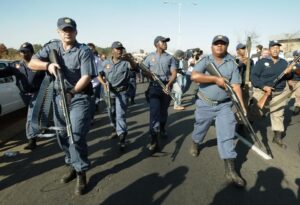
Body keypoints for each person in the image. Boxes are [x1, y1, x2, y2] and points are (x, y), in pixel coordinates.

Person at [28, 17, 96, 195]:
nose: (67, 32)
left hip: (79, 96)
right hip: (58, 97)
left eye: (71, 29)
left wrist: (71, 93)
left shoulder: (84, 51)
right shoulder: (52, 47)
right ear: (58, 32)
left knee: (74, 134)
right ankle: (72, 164)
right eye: (64, 30)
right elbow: (31, 63)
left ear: (76, 32)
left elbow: (86, 77)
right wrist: (47, 65)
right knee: (62, 135)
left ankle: (81, 172)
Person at [190, 35, 246, 187]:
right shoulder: (205, 60)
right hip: (205, 104)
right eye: (217, 44)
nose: (219, 46)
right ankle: (196, 142)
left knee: (227, 135)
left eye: (223, 44)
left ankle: (231, 171)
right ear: (211, 46)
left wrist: (242, 107)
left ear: (227, 46)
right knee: (200, 128)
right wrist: (215, 79)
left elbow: (236, 86)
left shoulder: (232, 64)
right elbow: (194, 76)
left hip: (224, 105)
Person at [0, 42, 45, 150]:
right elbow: (3, 73)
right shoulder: (16, 65)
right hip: (24, 95)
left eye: (26, 51)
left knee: (30, 116)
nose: (24, 53)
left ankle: (32, 140)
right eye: (21, 51)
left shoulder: (39, 64)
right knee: (34, 115)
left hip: (37, 93)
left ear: (32, 52)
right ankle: (41, 127)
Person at [250, 40, 293, 149]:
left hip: (278, 92)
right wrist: (263, 86)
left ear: (279, 50)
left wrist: (290, 73)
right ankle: (244, 125)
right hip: (262, 91)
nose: (275, 49)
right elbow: (254, 77)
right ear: (269, 50)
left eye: (277, 48)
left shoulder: (284, 63)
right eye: (273, 47)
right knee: (257, 111)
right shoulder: (262, 62)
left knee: (278, 114)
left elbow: (288, 78)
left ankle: (277, 137)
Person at [98, 41, 137, 150]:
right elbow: (99, 74)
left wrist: (130, 59)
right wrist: (103, 83)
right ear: (112, 50)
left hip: (122, 92)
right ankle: (115, 128)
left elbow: (135, 68)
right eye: (117, 49)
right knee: (111, 113)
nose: (120, 51)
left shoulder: (126, 63)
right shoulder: (105, 63)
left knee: (120, 115)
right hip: (109, 92)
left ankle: (122, 137)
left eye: (121, 49)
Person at [143, 36, 178, 151]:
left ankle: (162, 128)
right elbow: (144, 70)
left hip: (166, 87)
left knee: (163, 112)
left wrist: (169, 83)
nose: (165, 44)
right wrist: (148, 74)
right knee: (154, 112)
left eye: (166, 42)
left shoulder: (170, 58)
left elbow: (174, 73)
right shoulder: (149, 57)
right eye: (163, 42)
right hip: (154, 87)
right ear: (156, 44)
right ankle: (153, 139)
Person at [87, 43, 102, 124]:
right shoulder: (82, 58)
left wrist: (103, 82)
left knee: (92, 102)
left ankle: (91, 118)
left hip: (95, 84)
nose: (89, 50)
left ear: (93, 50)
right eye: (88, 48)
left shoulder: (97, 59)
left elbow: (100, 72)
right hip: (84, 84)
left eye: (91, 49)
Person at [287, 50, 300, 115]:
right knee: (285, 95)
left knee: (298, 95)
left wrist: (296, 70)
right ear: (294, 56)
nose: (297, 57)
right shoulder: (290, 62)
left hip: (299, 82)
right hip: (291, 81)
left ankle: (297, 107)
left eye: (298, 55)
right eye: (296, 55)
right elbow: (287, 72)